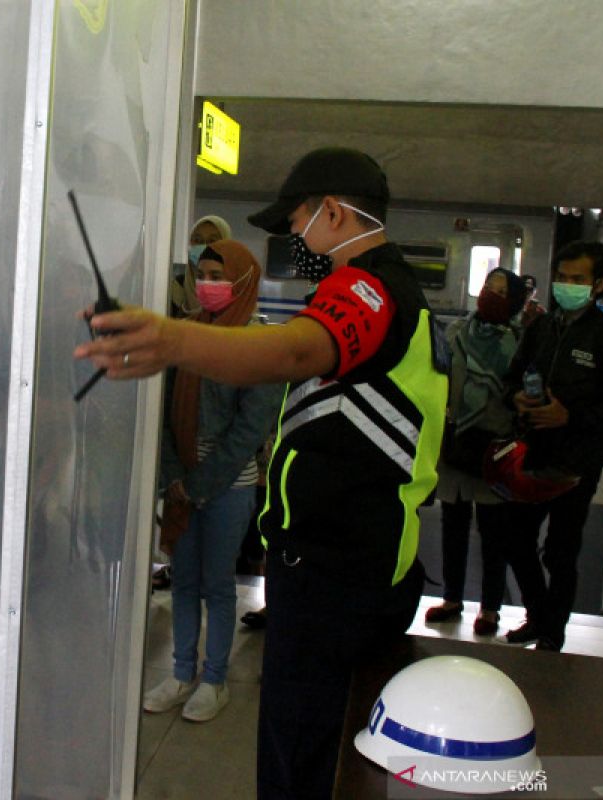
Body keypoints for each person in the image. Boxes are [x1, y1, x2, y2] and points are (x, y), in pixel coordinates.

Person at [76, 147, 447, 798]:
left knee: (302, 760)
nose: (290, 241)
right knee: (325, 752)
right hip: (355, 563)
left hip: (340, 575)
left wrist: (172, 340)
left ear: (334, 212)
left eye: (295, 223)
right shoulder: (392, 291)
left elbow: (299, 349)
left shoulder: (368, 287)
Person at [143, 239, 282, 723]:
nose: (207, 285)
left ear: (242, 282)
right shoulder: (184, 337)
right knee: (183, 581)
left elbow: (249, 432)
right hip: (183, 480)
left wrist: (199, 484)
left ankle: (215, 679)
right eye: (202, 275)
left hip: (228, 486)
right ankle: (182, 673)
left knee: (218, 586)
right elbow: (162, 411)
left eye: (218, 277)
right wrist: (174, 478)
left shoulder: (260, 347)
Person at [501, 241, 603, 652]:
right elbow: (512, 379)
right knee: (516, 540)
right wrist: (516, 399)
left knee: (560, 551)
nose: (566, 285)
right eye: (562, 277)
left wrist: (571, 417)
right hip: (533, 451)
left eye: (577, 279)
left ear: (600, 284)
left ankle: (552, 635)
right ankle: (538, 615)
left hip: (578, 462)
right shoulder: (540, 328)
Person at [424, 268, 526, 636]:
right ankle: (452, 599)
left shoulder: (519, 341)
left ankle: (490, 609)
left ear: (513, 300)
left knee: (493, 533)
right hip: (456, 443)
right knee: (453, 525)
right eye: (488, 288)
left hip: (494, 450)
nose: (491, 295)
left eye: (501, 291)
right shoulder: (457, 333)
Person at [169, 215, 232, 318]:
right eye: (197, 240)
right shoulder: (178, 288)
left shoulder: (237, 286)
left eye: (212, 241)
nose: (204, 246)